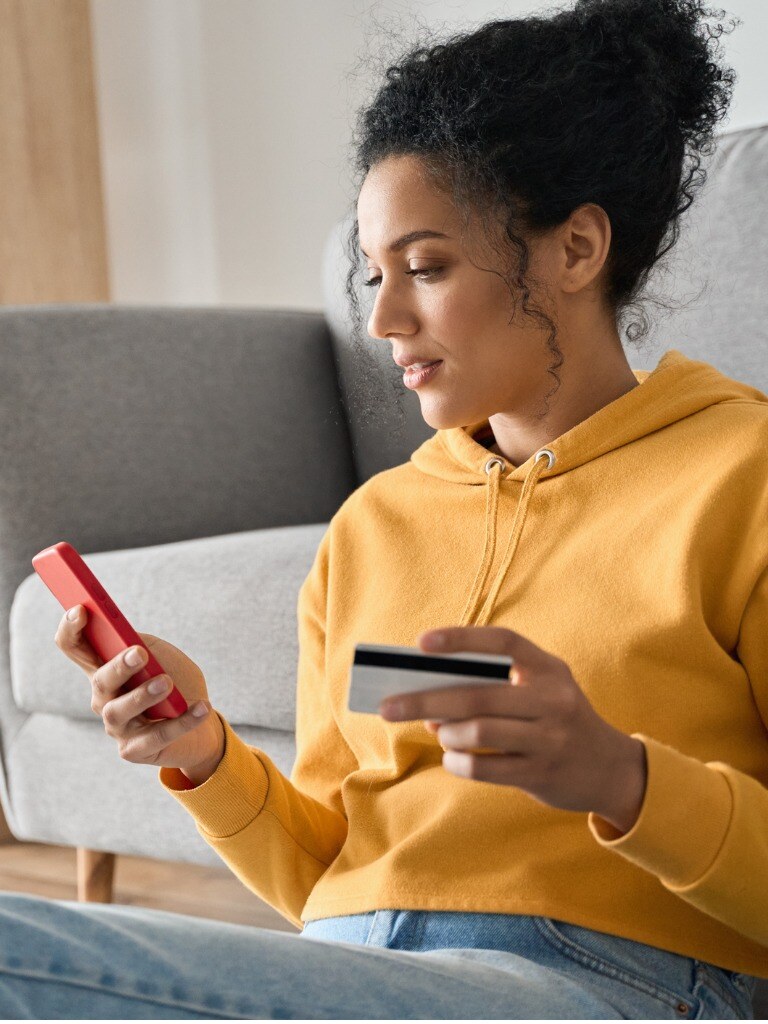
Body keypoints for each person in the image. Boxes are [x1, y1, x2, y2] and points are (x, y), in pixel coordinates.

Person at [1, 0, 765, 1017]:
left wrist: (622, 779)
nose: (381, 319)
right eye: (373, 274)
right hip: (358, 967)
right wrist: (203, 756)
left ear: (576, 249)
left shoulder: (743, 476)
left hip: (614, 979)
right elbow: (326, 877)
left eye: (428, 266)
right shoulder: (376, 526)